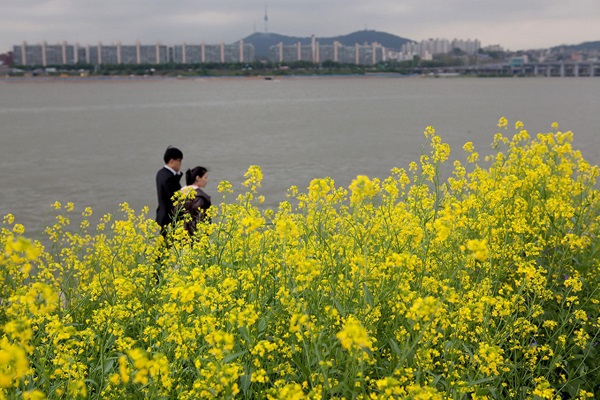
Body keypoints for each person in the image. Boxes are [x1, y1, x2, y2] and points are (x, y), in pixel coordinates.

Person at [155, 146, 183, 233]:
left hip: (162, 216)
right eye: (179, 160)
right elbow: (175, 198)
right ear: (172, 161)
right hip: (170, 219)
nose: (180, 164)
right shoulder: (169, 178)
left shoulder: (160, 173)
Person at [180, 166, 211, 235]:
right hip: (196, 235)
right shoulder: (201, 197)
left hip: (180, 235)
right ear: (197, 178)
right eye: (205, 178)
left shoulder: (180, 193)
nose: (206, 180)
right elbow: (201, 219)